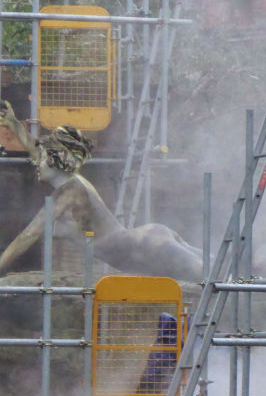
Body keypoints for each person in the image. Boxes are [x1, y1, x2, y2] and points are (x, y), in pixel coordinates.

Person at [0, 100, 203, 280]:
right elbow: (37, 150)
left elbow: (26, 237)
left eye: (43, 158)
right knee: (214, 264)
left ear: (58, 161)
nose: (36, 160)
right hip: (145, 241)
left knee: (207, 273)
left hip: (143, 246)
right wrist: (13, 124)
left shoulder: (69, 191)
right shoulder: (72, 180)